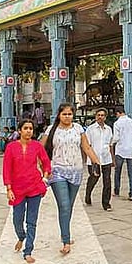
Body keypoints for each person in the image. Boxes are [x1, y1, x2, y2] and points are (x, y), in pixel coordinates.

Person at [41, 103, 101, 255]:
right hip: (57, 172)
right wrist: (37, 167)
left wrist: (96, 162)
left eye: (70, 114)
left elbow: (86, 147)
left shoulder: (79, 129)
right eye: (64, 114)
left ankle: (65, 232)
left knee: (69, 206)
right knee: (65, 205)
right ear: (59, 115)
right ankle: (66, 241)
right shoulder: (51, 130)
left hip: (76, 172)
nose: (67, 117)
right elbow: (41, 150)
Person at [3, 119, 51, 263]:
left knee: (32, 221)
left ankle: (28, 250)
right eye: (25, 128)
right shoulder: (11, 147)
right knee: (17, 219)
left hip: (34, 187)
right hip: (17, 189)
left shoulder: (37, 146)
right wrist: (8, 188)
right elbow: (6, 169)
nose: (28, 131)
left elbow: (46, 163)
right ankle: (21, 236)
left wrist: (45, 178)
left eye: (30, 128)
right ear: (20, 130)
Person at [85, 108, 114, 211]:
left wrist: (112, 159)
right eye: (98, 115)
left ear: (105, 117)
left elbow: (110, 145)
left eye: (102, 115)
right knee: (94, 178)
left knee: (107, 181)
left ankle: (106, 203)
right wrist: (89, 159)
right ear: (95, 116)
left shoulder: (109, 129)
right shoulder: (90, 129)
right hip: (94, 159)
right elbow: (87, 145)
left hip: (106, 158)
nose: (100, 117)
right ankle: (88, 194)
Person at [112, 106, 132, 201]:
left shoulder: (117, 123)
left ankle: (116, 190)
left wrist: (111, 144)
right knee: (131, 172)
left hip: (120, 150)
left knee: (117, 171)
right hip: (130, 150)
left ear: (118, 113)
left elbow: (116, 138)